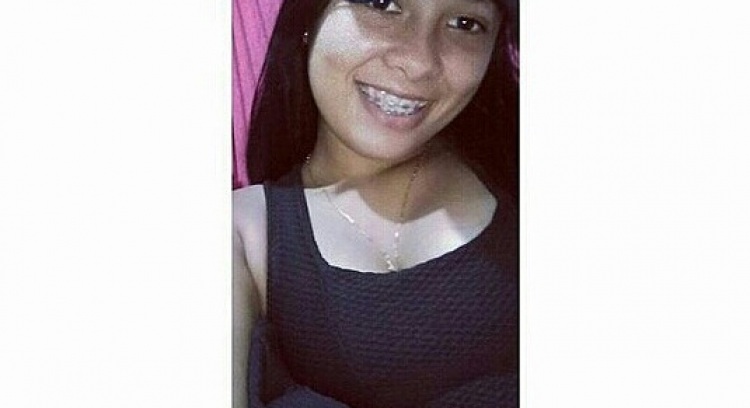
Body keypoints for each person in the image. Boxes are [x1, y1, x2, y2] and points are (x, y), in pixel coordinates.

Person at [233, 0, 518, 406]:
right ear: (310, 16)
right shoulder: (245, 235)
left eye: (464, 22)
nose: (419, 63)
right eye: (382, 4)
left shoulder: (512, 158)